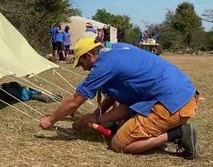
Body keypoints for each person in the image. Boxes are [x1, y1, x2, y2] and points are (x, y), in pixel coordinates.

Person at [40, 36, 199, 159]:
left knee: (119, 143)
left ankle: (178, 134)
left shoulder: (103, 67)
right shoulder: (115, 49)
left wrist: (50, 120)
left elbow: (75, 101)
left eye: (81, 63)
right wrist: (96, 117)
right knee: (122, 125)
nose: (82, 68)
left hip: (172, 104)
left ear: (89, 56)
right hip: (183, 94)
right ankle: (166, 128)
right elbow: (123, 101)